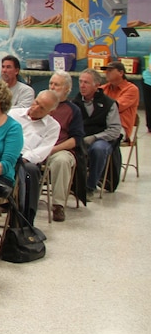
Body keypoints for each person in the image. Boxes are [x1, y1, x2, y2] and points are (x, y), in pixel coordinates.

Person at [10, 90, 61, 225]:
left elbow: (42, 151)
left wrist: (22, 158)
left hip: (26, 161)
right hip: (6, 156)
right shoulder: (13, 114)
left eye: (42, 108)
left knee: (30, 172)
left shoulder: (53, 126)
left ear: (50, 111)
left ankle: (26, 220)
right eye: (36, 103)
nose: (35, 108)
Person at [44, 73, 85, 220]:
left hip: (60, 150)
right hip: (37, 148)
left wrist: (53, 149)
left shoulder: (73, 110)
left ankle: (58, 206)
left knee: (61, 161)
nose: (52, 87)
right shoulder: (40, 105)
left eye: (56, 85)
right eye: (51, 84)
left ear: (67, 89)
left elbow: (76, 139)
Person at [76, 68, 122, 194]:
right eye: (80, 82)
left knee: (98, 149)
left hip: (103, 139)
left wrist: (95, 137)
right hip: (81, 138)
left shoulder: (109, 104)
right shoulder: (75, 102)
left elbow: (115, 130)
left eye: (86, 82)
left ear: (97, 85)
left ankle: (90, 186)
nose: (82, 85)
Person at [101, 61, 138, 141]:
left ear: (121, 73)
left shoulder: (131, 89)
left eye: (110, 70)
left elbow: (115, 107)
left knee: (97, 140)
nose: (106, 73)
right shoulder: (103, 88)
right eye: (106, 71)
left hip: (120, 128)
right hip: (102, 125)